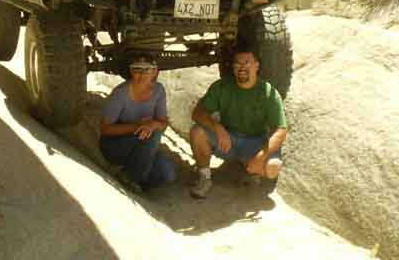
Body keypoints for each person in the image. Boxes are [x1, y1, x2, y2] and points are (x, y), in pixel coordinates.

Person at [189, 47, 288, 199]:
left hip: (255, 143)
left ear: (257, 66)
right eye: (237, 64)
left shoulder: (269, 93)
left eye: (247, 63)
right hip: (228, 140)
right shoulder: (222, 86)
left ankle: (251, 170)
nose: (242, 68)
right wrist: (217, 127)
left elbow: (281, 130)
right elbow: (198, 113)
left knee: (273, 168)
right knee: (198, 132)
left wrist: (260, 157)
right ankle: (204, 177)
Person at [99, 54, 176, 191]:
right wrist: (139, 127)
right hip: (115, 145)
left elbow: (163, 122)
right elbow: (105, 129)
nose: (141, 75)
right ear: (131, 72)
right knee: (153, 135)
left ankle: (131, 175)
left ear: (155, 72)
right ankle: (131, 177)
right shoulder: (121, 94)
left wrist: (153, 124)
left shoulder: (158, 91)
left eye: (146, 70)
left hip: (142, 143)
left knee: (168, 174)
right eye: (137, 70)